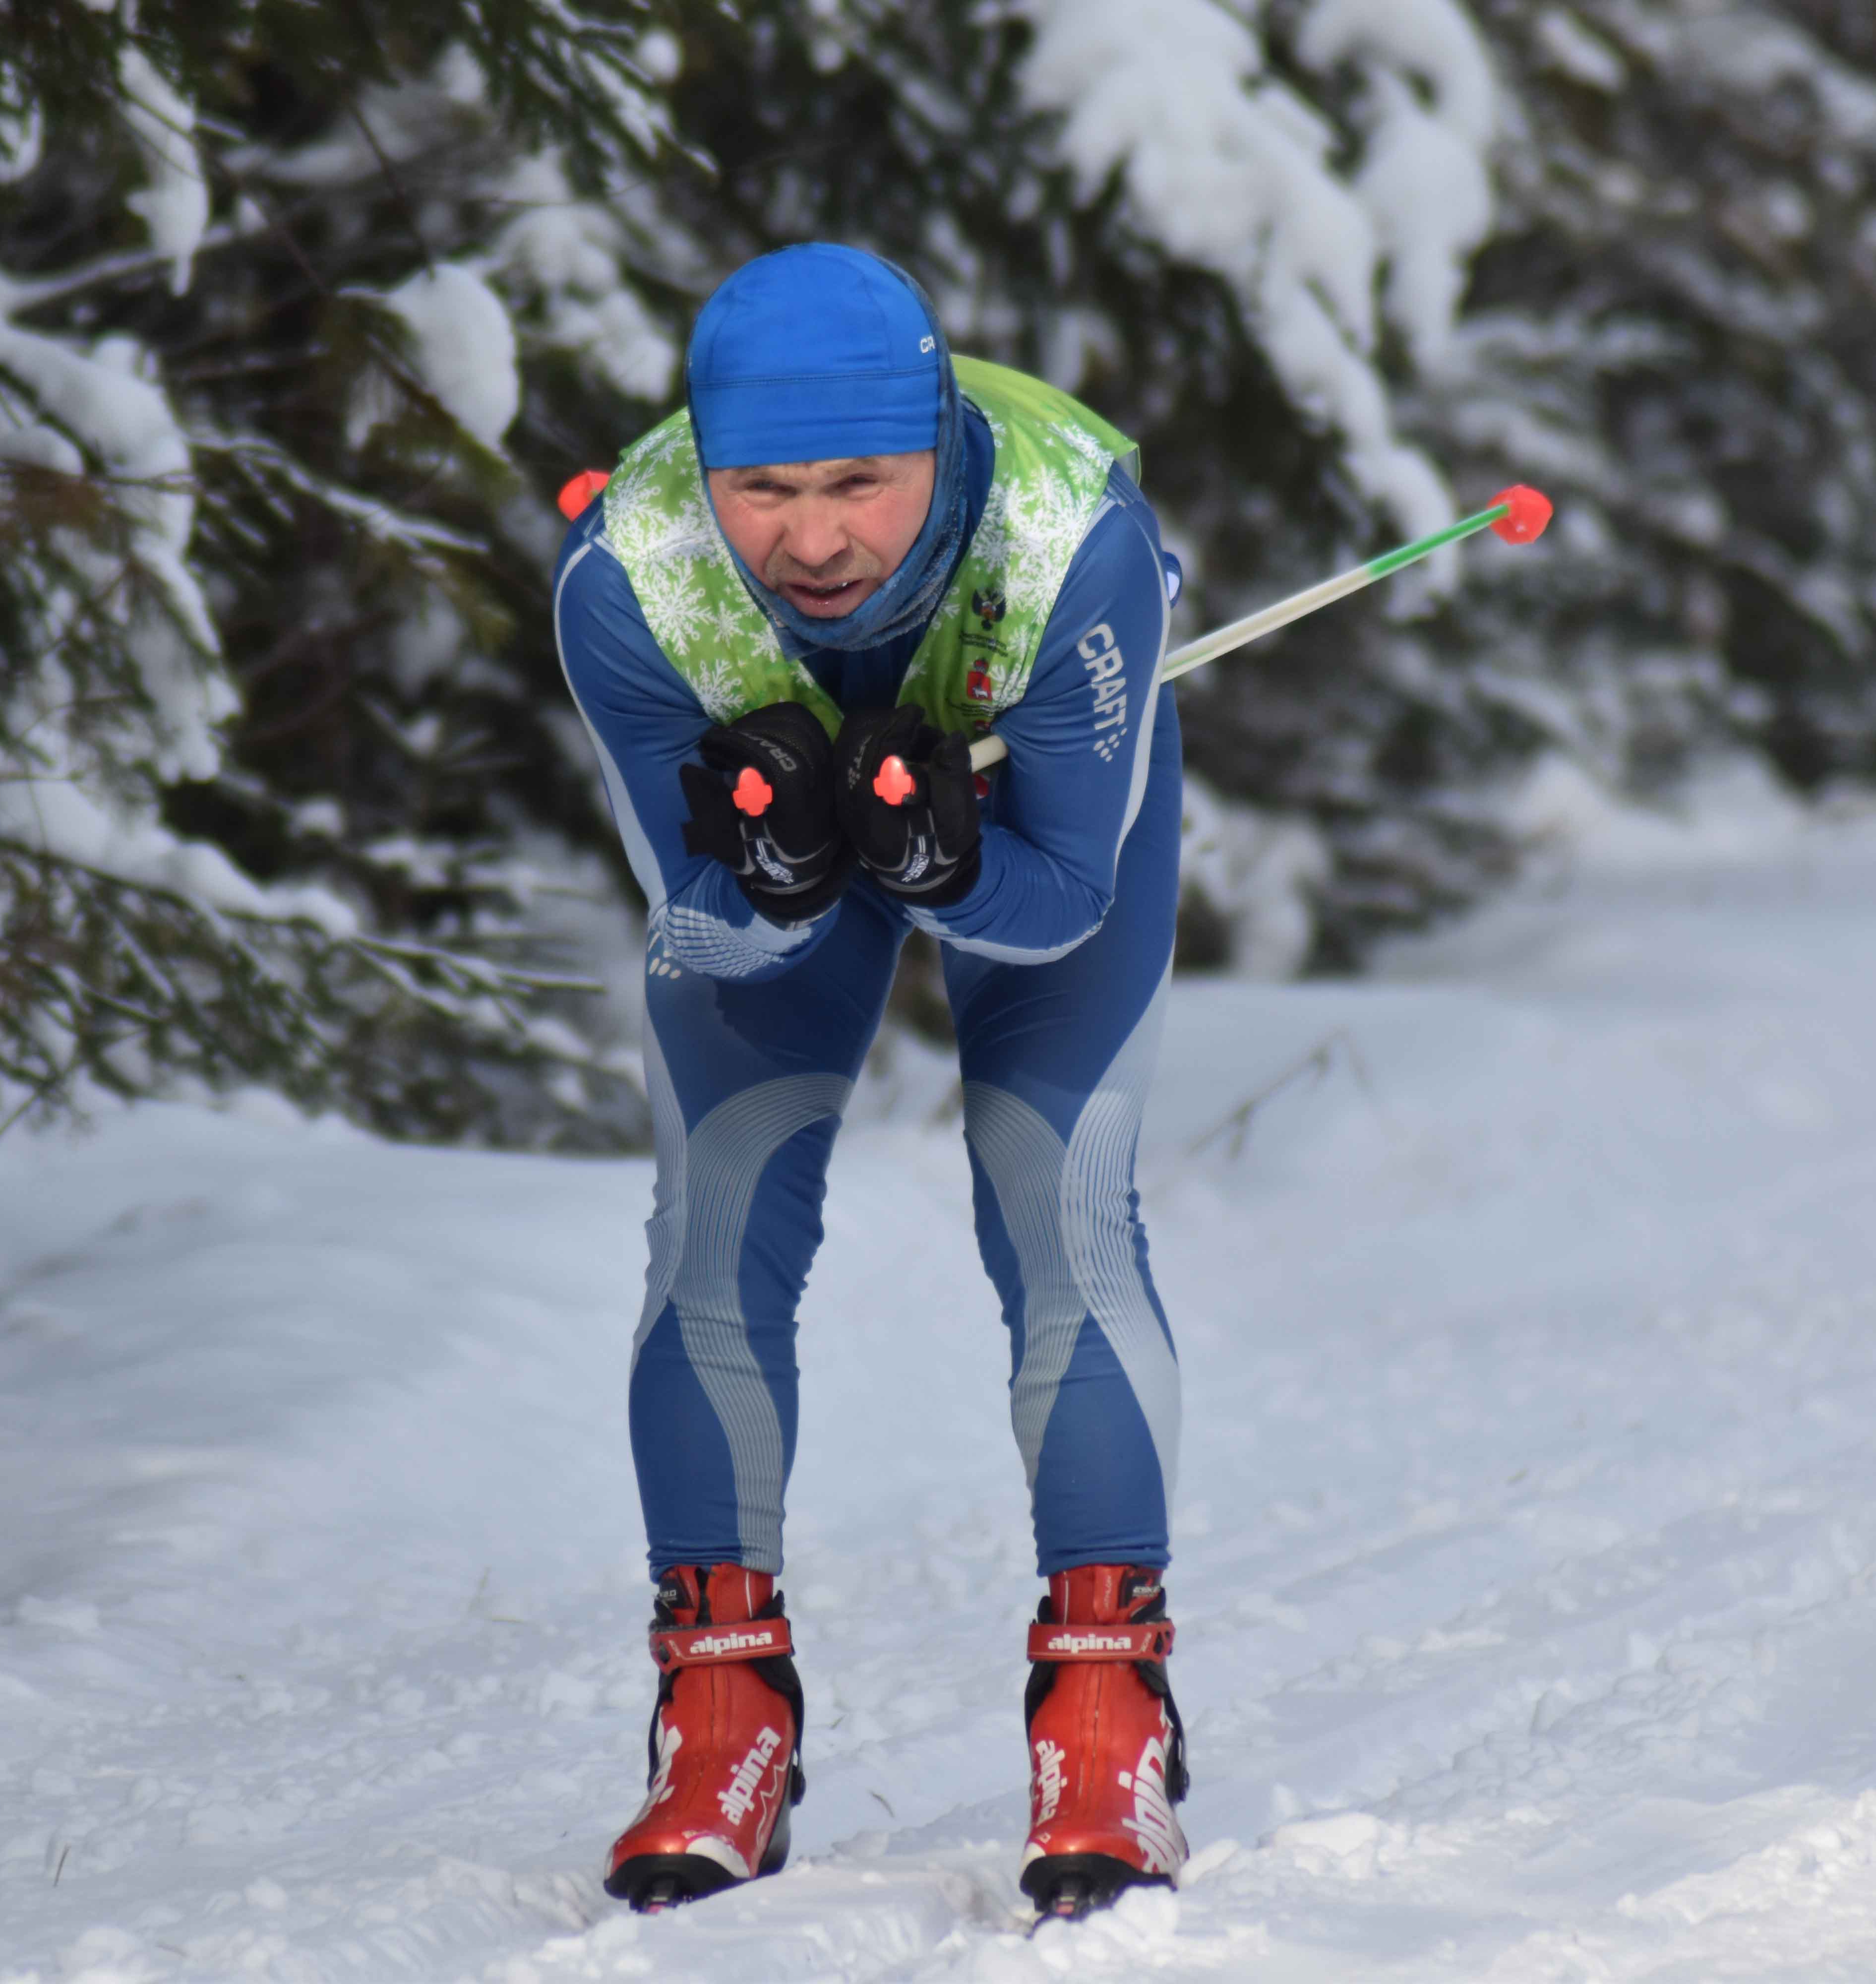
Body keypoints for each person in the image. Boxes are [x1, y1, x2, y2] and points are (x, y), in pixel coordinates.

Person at [553, 243, 1191, 1921]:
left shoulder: (1071, 548)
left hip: (1031, 841)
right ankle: (718, 1713)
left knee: (1058, 1206)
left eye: (860, 482)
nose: (815, 539)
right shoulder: (632, 577)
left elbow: (1066, 905)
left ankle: (1109, 1706)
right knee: (714, 1225)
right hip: (790, 829)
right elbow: (693, 926)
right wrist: (765, 880)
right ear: (706, 463)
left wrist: (936, 869)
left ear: (931, 446)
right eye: (762, 486)